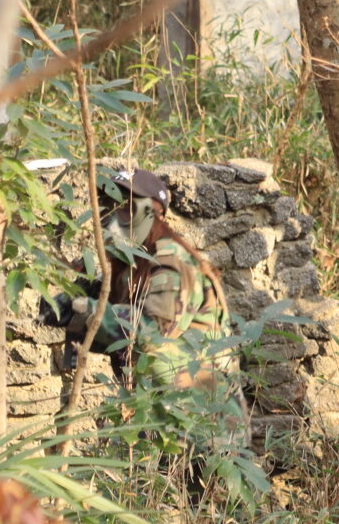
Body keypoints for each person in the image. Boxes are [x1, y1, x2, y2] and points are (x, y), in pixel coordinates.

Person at [39, 168, 254, 492]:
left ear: (153, 215)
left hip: (207, 426)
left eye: (126, 209)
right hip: (162, 419)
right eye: (108, 208)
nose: (113, 219)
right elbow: (111, 323)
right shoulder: (130, 263)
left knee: (213, 508)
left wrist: (84, 310)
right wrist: (68, 304)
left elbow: (152, 331)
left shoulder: (171, 263)